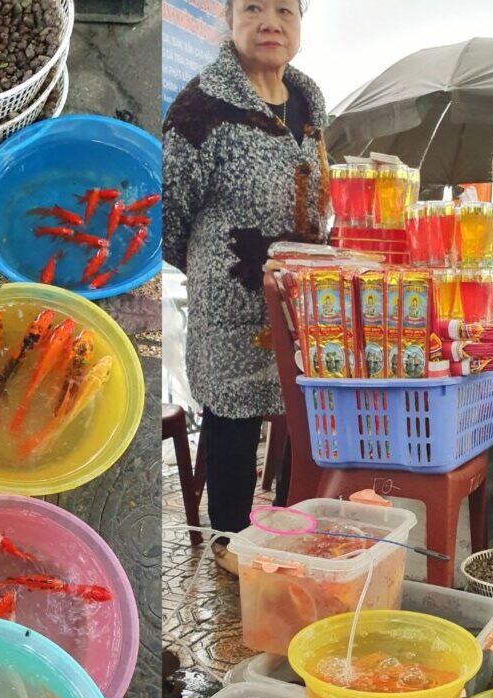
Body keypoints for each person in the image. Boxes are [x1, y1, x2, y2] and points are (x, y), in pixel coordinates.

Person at [163, 0, 329, 573]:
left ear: (301, 23)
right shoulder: (198, 108)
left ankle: (286, 527)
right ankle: (230, 540)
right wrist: (216, 267)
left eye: (285, 9)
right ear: (228, 19)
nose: (270, 22)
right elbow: (168, 215)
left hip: (298, 295)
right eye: (252, 7)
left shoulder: (309, 99)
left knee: (296, 406)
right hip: (228, 294)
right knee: (232, 417)